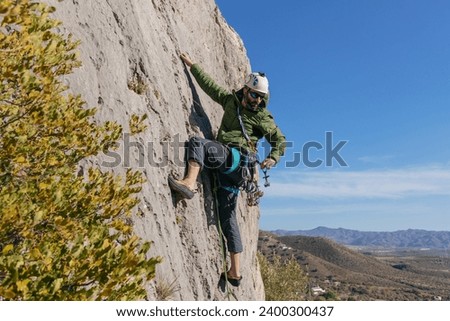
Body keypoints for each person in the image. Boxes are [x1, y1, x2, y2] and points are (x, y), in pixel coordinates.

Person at [169, 53, 286, 287]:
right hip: (231, 170)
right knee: (227, 217)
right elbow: (210, 87)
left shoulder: (263, 118)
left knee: (198, 143)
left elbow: (279, 141)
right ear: (245, 89)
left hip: (236, 159)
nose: (256, 101)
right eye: (254, 95)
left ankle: (189, 183)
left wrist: (273, 157)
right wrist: (193, 66)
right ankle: (235, 271)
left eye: (261, 97)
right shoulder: (231, 101)